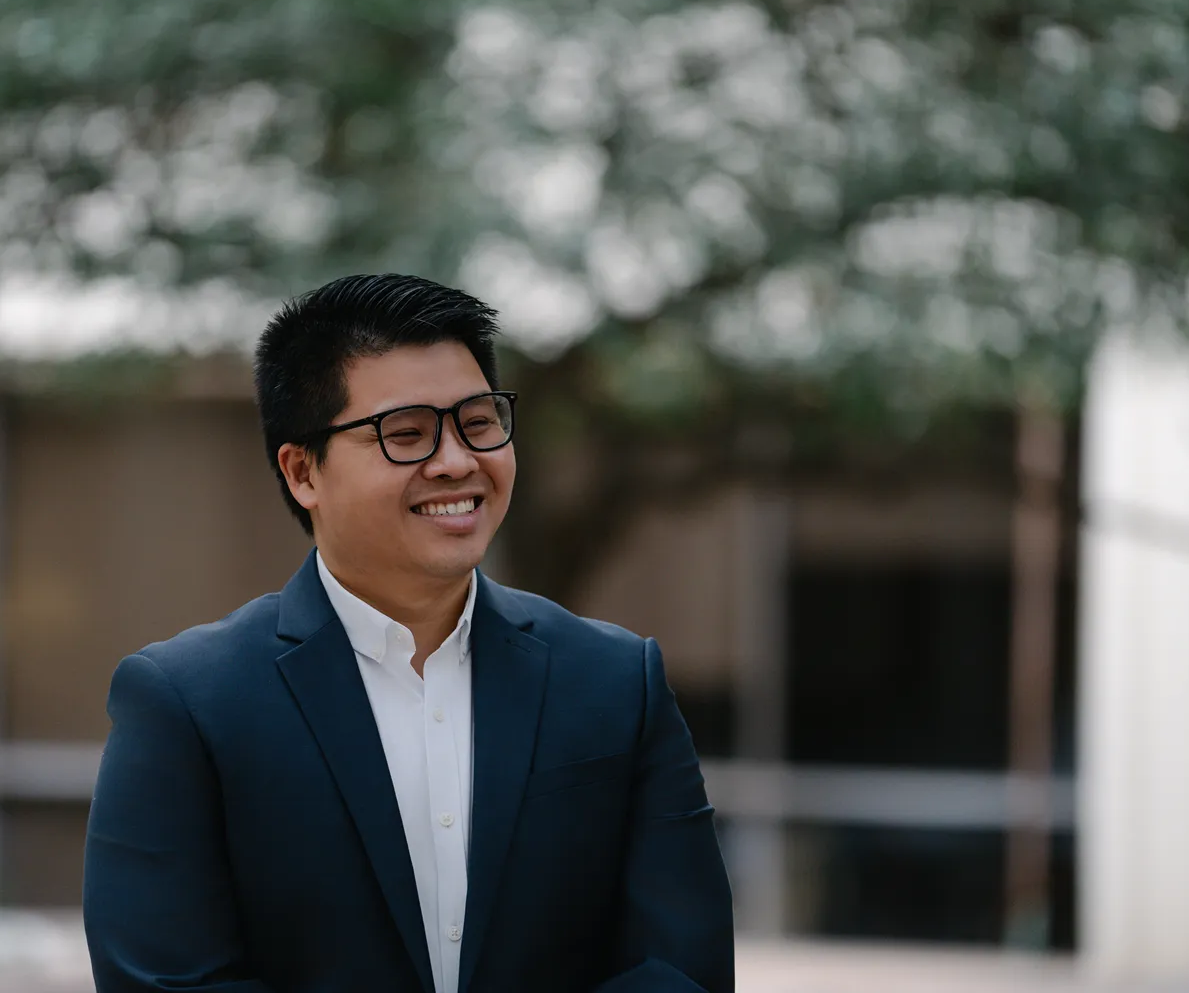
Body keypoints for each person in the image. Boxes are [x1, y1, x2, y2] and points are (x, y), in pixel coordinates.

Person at [82, 274, 734, 993]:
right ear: (303, 471)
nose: (456, 461)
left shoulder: (616, 682)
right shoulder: (188, 704)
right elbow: (165, 982)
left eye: (479, 422)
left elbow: (682, 969)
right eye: (407, 434)